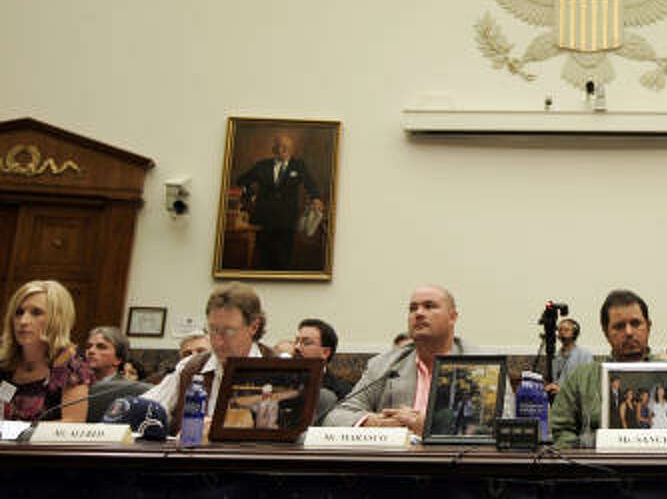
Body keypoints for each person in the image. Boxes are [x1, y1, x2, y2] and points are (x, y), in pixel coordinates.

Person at [325, 285, 504, 430]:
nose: (418, 313)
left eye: (429, 306)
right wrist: (374, 422)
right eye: (413, 308)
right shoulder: (384, 365)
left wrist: (431, 426)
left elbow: (503, 421)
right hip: (396, 466)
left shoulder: (482, 364)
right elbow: (336, 416)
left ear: (452, 317)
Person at [143, 281, 276, 434]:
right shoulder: (190, 367)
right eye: (213, 330)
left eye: (229, 331)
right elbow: (147, 408)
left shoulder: (280, 368)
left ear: (253, 326)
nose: (218, 341)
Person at [550, 289, 655, 447]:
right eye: (619, 326)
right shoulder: (582, 377)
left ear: (648, 326)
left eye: (635, 323)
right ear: (606, 332)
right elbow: (561, 430)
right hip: (596, 468)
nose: (628, 332)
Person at [0, 280, 92, 422]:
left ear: (57, 319)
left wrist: (22, 433)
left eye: (36, 313)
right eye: (18, 312)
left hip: (42, 443)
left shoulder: (71, 363)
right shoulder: (4, 360)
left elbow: (72, 422)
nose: (23, 321)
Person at [235, 134, 324, 270]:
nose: (281, 150)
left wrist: (316, 198)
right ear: (273, 148)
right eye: (278, 146)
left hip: (287, 220)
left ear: (291, 149)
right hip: (263, 220)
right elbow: (241, 181)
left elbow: (310, 184)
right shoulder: (262, 165)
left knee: (283, 261)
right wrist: (250, 196)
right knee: (263, 260)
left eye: (285, 147)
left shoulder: (298, 165)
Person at [294, 318, 352, 399]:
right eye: (296, 341)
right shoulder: (282, 381)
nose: (296, 347)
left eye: (306, 343)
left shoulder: (342, 391)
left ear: (325, 352)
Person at [547, 318, 592, 397]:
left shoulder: (584, 355)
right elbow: (556, 381)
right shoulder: (556, 357)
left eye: (566, 330)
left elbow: (588, 385)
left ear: (575, 333)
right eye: (560, 330)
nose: (562, 333)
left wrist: (562, 390)